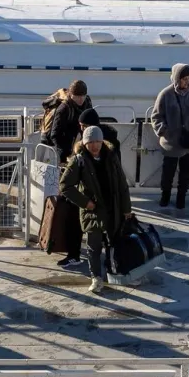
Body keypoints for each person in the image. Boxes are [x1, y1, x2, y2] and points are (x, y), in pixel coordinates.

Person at [59, 125, 133, 295]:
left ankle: (113, 271)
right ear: (84, 143)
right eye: (91, 142)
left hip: (112, 207)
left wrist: (126, 208)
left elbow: (122, 184)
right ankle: (96, 278)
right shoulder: (79, 160)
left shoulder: (111, 157)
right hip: (92, 211)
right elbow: (65, 186)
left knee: (114, 242)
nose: (95, 146)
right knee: (93, 245)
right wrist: (85, 203)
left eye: (98, 141)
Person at [149, 62, 189, 214]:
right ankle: (165, 196)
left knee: (186, 171)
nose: (187, 82)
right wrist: (164, 131)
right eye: (184, 79)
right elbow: (156, 116)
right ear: (176, 78)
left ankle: (181, 198)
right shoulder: (166, 94)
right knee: (168, 171)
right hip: (171, 142)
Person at [41, 80, 95, 161]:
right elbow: (54, 134)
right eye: (77, 96)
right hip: (63, 136)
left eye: (83, 96)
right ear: (71, 95)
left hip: (77, 134)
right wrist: (63, 153)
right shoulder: (64, 108)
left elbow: (93, 123)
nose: (80, 99)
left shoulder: (87, 103)